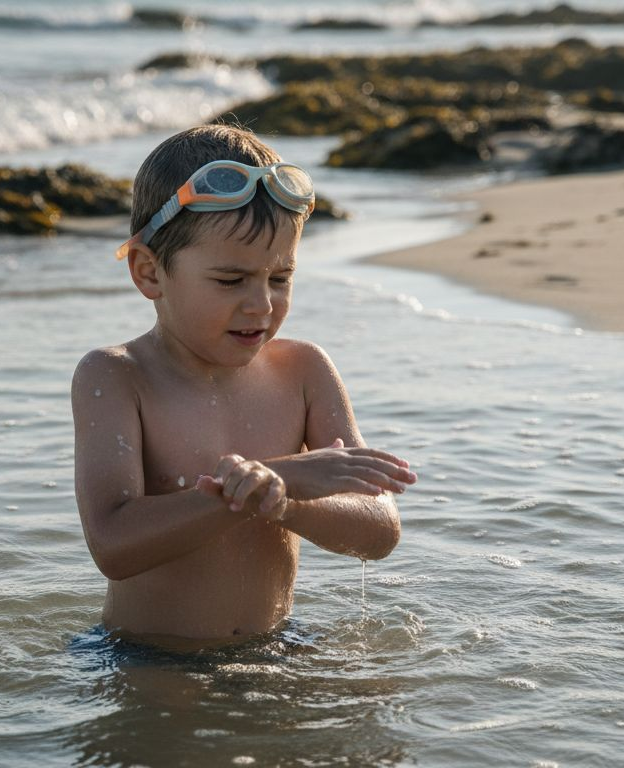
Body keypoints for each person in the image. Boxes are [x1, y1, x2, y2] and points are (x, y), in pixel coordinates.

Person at [71, 124, 416, 642]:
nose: (262, 304)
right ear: (149, 273)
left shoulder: (303, 371)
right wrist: (263, 484)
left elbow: (378, 531)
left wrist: (283, 500)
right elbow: (114, 546)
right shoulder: (118, 376)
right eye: (231, 281)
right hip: (147, 658)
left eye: (280, 278)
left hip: (277, 647)